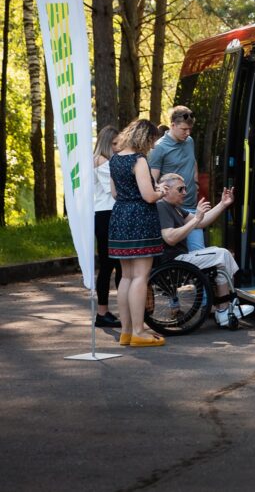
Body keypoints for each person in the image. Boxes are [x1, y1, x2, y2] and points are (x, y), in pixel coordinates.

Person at [156, 173, 254, 327]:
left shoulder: (176, 208)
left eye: (185, 189)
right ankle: (224, 310)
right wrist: (195, 219)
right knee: (222, 254)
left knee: (220, 260)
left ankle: (223, 309)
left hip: (180, 258)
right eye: (180, 189)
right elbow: (170, 238)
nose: (185, 193)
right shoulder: (162, 206)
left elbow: (202, 222)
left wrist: (222, 204)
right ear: (166, 190)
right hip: (174, 260)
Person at [109, 119, 167, 347]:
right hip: (140, 219)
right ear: (144, 138)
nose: (152, 146)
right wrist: (160, 191)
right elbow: (148, 196)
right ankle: (139, 331)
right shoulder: (138, 160)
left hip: (120, 216)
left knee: (126, 276)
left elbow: (114, 194)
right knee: (141, 276)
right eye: (152, 141)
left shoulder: (115, 159)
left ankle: (125, 331)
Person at [149, 106, 203, 251]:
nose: (187, 133)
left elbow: (193, 162)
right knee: (182, 258)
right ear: (173, 125)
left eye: (189, 129)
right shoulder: (159, 148)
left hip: (191, 204)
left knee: (198, 251)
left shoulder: (190, 141)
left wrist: (196, 182)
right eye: (184, 129)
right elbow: (152, 180)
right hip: (172, 209)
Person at [93, 125, 122, 327]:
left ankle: (108, 311)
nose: (118, 147)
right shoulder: (102, 162)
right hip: (107, 215)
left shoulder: (100, 160)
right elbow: (115, 191)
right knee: (112, 265)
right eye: (114, 144)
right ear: (106, 143)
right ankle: (103, 313)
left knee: (112, 265)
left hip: (105, 215)